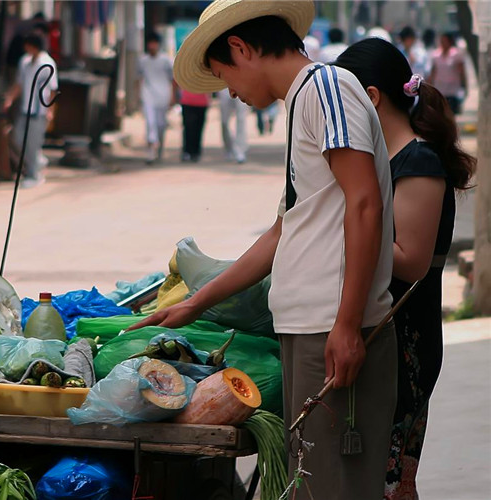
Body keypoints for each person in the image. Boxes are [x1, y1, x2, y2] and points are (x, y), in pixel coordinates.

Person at [148, 1, 397, 498]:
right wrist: (196, 302)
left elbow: (364, 202)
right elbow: (282, 232)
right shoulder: (303, 101)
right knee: (315, 483)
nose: (232, 94)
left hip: (331, 327)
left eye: (225, 76)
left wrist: (347, 325)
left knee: (335, 485)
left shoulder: (325, 88)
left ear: (241, 48)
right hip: (311, 328)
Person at [335, 38, 476, 500]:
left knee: (390, 479)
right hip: (383, 332)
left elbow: (411, 261)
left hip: (404, 341)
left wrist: (344, 229)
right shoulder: (379, 163)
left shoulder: (418, 163)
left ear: (370, 97)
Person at [3, 32, 59, 188]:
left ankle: (34, 175)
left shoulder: (47, 63)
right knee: (17, 138)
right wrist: (9, 98)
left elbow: (53, 90)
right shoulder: (25, 62)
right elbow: (19, 84)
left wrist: (50, 111)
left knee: (33, 143)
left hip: (39, 110)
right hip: (25, 108)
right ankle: (38, 161)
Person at [138, 32, 175, 164]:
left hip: (163, 95)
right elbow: (139, 79)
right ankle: (150, 153)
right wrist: (138, 96)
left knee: (160, 124)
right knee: (150, 123)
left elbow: (173, 79)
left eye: (154, 43)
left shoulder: (165, 61)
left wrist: (173, 97)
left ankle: (159, 149)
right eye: (150, 43)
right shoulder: (143, 61)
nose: (152, 46)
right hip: (148, 95)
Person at [429, 33, 467, 115]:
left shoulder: (456, 54)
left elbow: (462, 71)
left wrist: (464, 85)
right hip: (440, 89)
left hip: (453, 90)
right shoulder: (435, 55)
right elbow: (433, 71)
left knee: (451, 113)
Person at [180, 90, 210, 162]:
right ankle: (187, 150)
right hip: (187, 101)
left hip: (202, 102)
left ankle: (196, 151)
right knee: (188, 127)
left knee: (198, 128)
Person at [218, 91, 248, 163]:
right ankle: (229, 148)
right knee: (224, 122)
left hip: (242, 86)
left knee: (241, 119)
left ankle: (240, 150)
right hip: (224, 87)